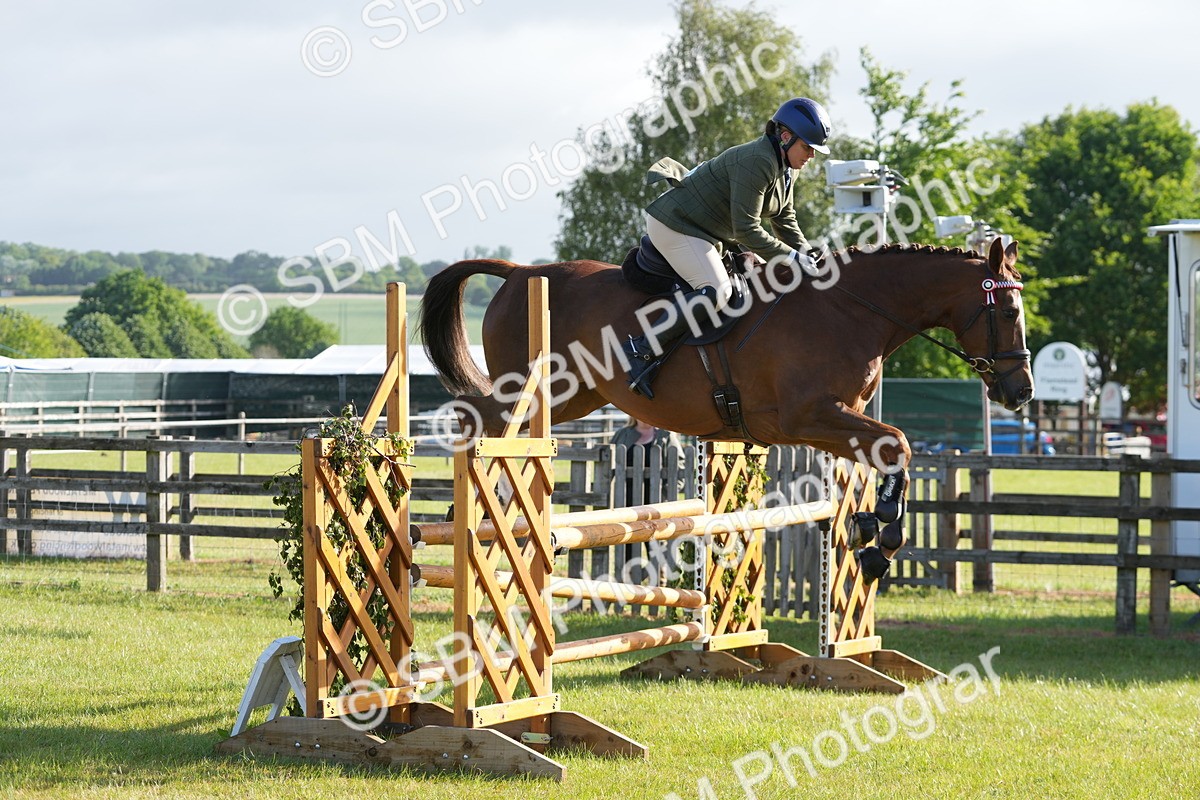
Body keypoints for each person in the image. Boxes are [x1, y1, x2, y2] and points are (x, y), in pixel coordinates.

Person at [624, 97, 832, 398]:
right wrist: (792, 257)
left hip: (709, 231)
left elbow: (784, 217)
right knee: (716, 291)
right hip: (677, 223)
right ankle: (640, 350)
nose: (812, 155)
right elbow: (745, 229)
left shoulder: (788, 165)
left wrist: (805, 251)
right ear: (785, 137)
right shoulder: (758, 161)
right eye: (808, 147)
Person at [609, 416, 686, 503]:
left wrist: (667, 493)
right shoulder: (622, 434)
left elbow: (679, 465)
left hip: (657, 499)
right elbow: (608, 463)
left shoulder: (666, 435)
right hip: (623, 498)